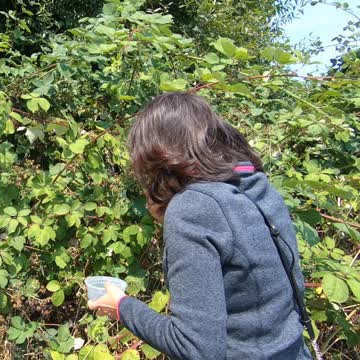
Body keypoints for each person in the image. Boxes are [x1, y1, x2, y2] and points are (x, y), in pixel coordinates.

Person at [87, 92, 313, 359]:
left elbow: (196, 348)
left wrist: (123, 307)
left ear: (159, 155)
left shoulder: (194, 208)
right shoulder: (255, 185)